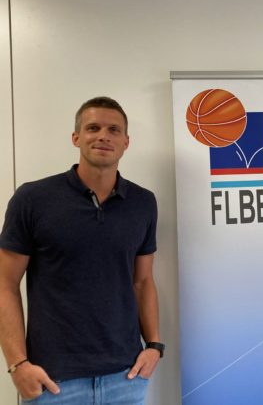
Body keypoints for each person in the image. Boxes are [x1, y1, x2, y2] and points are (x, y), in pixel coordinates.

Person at [0, 96, 164, 404]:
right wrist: (17, 365)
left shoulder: (143, 202)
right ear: (76, 137)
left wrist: (154, 345)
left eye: (113, 130)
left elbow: (142, 281)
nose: (103, 136)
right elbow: (5, 284)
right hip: (53, 382)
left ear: (126, 142)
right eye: (93, 128)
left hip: (126, 378)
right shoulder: (33, 199)